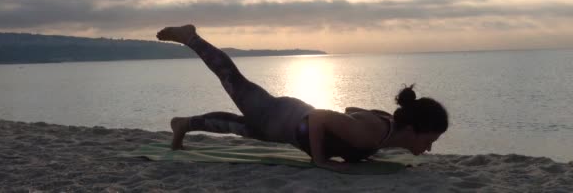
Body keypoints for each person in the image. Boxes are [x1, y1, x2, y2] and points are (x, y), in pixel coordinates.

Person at [157, 24, 448, 171]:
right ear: (411, 129)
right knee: (232, 79)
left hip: (285, 124)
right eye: (429, 140)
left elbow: (350, 109)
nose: (430, 148)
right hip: (282, 117)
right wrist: (320, 160)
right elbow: (321, 117)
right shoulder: (369, 134)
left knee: (243, 127)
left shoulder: (383, 128)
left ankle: (184, 124)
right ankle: (190, 37)